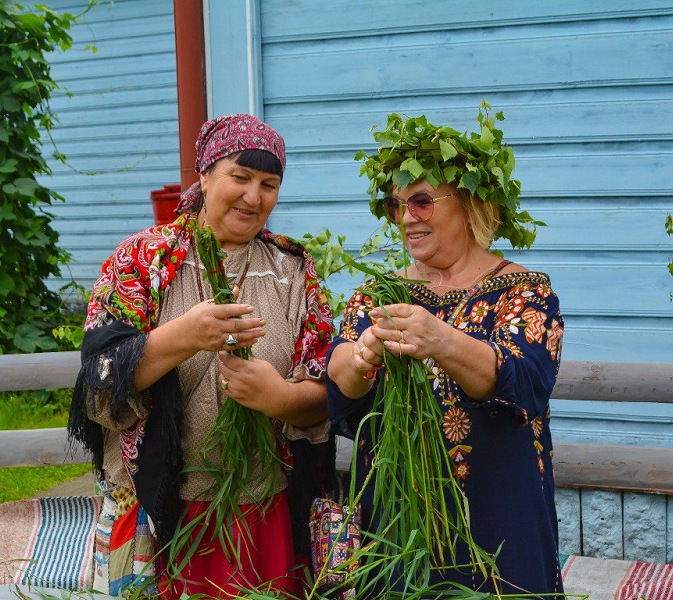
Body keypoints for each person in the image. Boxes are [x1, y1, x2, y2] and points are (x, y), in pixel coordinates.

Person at [68, 113, 335, 598]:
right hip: (158, 513)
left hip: (264, 511)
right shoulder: (143, 261)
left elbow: (324, 393)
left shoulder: (294, 272)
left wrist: (279, 400)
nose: (254, 197)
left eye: (268, 184)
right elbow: (99, 388)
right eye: (240, 177)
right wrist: (185, 336)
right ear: (205, 175)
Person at [325, 111, 565, 597]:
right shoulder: (381, 292)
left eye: (421, 201)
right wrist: (360, 360)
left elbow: (524, 383)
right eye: (396, 204)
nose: (406, 217)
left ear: (471, 203)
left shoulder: (522, 292)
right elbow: (339, 390)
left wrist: (442, 340)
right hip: (399, 524)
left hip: (497, 516)